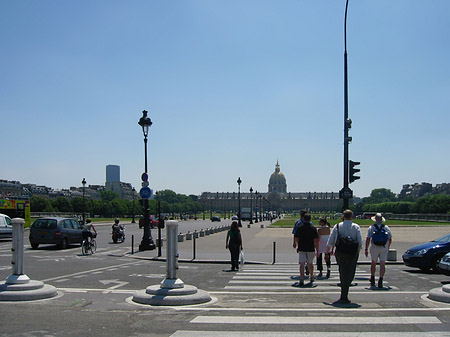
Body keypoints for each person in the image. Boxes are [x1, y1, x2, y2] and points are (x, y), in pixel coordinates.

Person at [327, 209, 362, 304]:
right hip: (352, 252)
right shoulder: (356, 227)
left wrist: (327, 251)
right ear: (352, 217)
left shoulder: (338, 226)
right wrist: (357, 252)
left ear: (343, 216)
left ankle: (344, 292)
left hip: (340, 252)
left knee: (342, 271)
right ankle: (344, 294)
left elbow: (331, 239)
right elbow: (359, 242)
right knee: (350, 272)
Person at [365, 212, 392, 288]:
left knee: (373, 262)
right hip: (384, 247)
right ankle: (381, 279)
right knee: (382, 264)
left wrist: (366, 248)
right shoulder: (386, 227)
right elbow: (390, 239)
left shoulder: (372, 227)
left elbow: (368, 238)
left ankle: (372, 277)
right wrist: (387, 247)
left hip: (374, 246)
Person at [294, 213, 319, 286]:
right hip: (311, 247)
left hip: (302, 247)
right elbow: (316, 240)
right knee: (310, 263)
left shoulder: (299, 227)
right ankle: (311, 276)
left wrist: (298, 245)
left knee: (302, 264)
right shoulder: (313, 228)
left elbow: (296, 238)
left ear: (303, 219)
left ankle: (302, 278)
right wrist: (317, 249)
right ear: (310, 219)